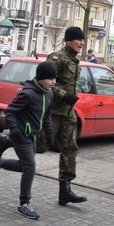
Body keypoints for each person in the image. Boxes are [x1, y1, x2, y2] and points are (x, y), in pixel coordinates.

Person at [0, 61, 56, 220]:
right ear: (41, 78)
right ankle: (24, 204)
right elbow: (10, 112)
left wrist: (50, 134)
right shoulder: (27, 94)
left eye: (55, 79)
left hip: (33, 136)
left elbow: (47, 116)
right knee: (30, 167)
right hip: (22, 135)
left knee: (24, 166)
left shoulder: (49, 94)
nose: (53, 82)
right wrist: (15, 130)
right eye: (50, 79)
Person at [46, 26, 87, 206]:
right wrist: (64, 95)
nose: (82, 43)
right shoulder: (57, 58)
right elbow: (43, 81)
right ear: (69, 40)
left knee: (70, 149)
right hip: (54, 112)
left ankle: (65, 191)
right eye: (79, 39)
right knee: (40, 145)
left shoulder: (75, 60)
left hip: (68, 113)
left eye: (83, 40)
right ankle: (7, 141)